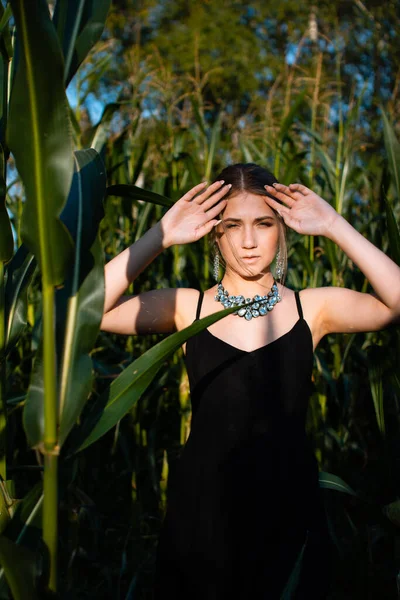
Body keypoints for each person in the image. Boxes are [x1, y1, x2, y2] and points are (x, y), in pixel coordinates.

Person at [101, 163, 400, 599]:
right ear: (213, 234)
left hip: (289, 516)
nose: (247, 241)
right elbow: (88, 315)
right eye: (232, 225)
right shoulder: (189, 308)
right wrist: (161, 235)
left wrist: (334, 224)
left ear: (281, 229)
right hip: (203, 522)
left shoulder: (310, 309)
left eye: (263, 223)